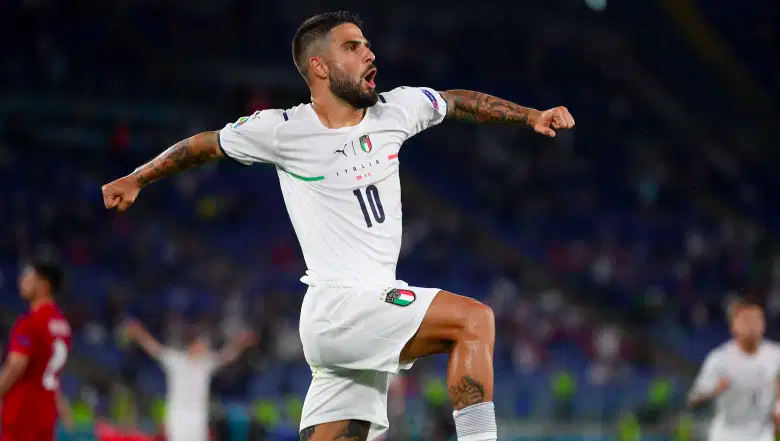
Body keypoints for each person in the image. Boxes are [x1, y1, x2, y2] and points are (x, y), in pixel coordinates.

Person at [101, 10, 575, 441]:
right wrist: (138, 178)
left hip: (357, 319)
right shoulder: (283, 129)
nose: (369, 52)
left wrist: (530, 115)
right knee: (475, 320)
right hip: (341, 306)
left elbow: (455, 102)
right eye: (352, 46)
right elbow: (204, 144)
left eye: (367, 44)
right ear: (320, 69)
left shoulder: (396, 109)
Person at [124, 320, 256, 441]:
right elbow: (154, 348)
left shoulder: (206, 363)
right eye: (202, 345)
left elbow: (226, 356)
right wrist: (139, 333)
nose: (204, 349)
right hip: (178, 415)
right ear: (192, 345)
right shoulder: (176, 360)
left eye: (206, 346)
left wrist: (240, 343)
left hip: (198, 415)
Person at [0, 258, 73, 440]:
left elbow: (16, 366)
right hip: (46, 415)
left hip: (22, 414)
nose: (21, 281)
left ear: (43, 284)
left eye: (27, 276)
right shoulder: (62, 325)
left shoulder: (30, 323)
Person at [688, 300, 780, 440]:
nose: (752, 326)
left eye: (757, 319)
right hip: (727, 434)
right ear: (733, 326)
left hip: (762, 435)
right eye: (746, 320)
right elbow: (694, 397)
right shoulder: (720, 358)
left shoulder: (775, 355)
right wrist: (714, 388)